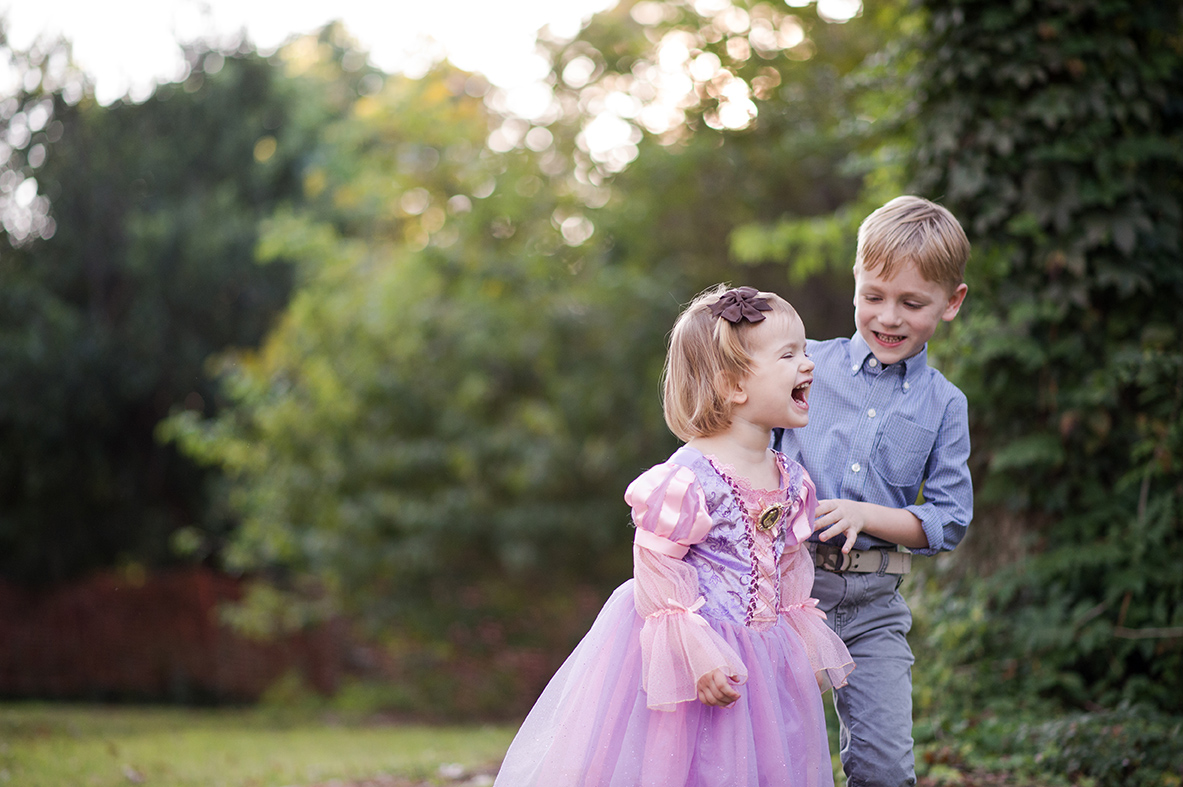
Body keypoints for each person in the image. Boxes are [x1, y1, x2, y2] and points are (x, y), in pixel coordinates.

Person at [495, 285, 854, 787]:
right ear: (734, 385)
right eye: (789, 355)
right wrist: (695, 650)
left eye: (805, 350)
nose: (809, 364)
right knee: (696, 765)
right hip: (697, 649)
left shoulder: (793, 479)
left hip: (764, 657)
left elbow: (790, 565)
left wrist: (803, 646)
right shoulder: (688, 478)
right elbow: (657, 565)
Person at [773, 195, 974, 787]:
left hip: (874, 608)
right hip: (785, 591)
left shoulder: (944, 405)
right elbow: (745, 444)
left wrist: (868, 515)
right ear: (855, 282)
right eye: (874, 297)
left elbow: (949, 519)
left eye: (912, 303)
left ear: (951, 302)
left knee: (885, 768)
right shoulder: (805, 366)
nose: (888, 318)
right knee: (773, 756)